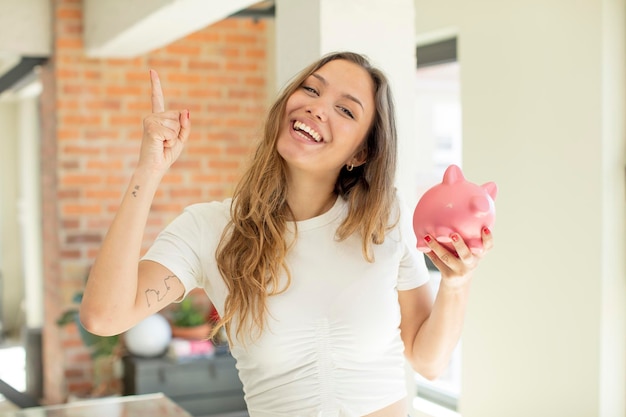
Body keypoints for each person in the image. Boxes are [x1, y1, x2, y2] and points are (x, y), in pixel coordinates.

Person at [80, 51, 493, 417]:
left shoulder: (385, 219)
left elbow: (428, 360)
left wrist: (457, 283)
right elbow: (104, 316)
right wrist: (147, 171)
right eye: (311, 90)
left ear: (360, 154)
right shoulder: (210, 229)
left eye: (345, 110)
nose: (317, 108)